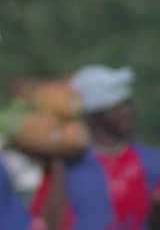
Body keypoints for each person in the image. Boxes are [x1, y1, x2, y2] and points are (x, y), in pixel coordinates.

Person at [30, 64, 160, 230]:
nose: (126, 111)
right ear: (93, 114)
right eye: (116, 106)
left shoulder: (150, 160)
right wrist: (57, 166)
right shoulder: (71, 165)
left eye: (127, 104)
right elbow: (51, 224)